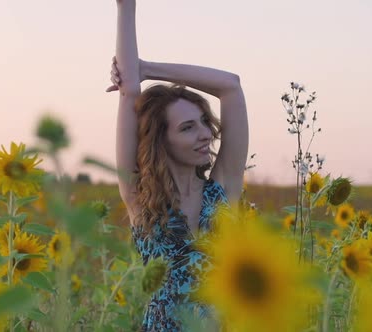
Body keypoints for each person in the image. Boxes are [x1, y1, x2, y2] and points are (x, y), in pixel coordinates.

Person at [106, 0, 248, 330]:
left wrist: (148, 67)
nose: (205, 134)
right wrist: (126, 8)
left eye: (202, 121)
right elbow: (129, 94)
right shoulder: (140, 197)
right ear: (161, 139)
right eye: (187, 128)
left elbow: (231, 86)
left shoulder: (223, 187)